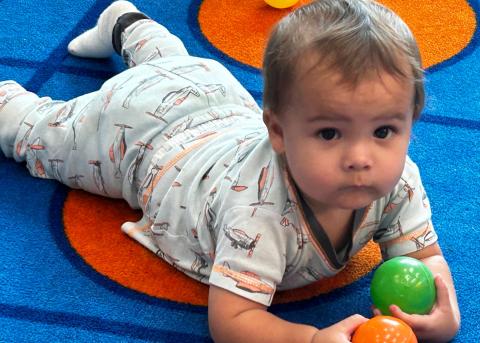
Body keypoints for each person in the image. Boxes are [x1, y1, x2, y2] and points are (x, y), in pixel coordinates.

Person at [0, 0, 460, 341]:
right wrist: (312, 338)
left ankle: (125, 20)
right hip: (144, 139)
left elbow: (425, 259)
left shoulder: (398, 181)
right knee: (40, 135)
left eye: (384, 131)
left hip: (218, 98)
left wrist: (445, 311)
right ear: (278, 132)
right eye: (329, 134)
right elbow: (231, 322)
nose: (361, 157)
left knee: (175, 65)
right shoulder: (258, 215)